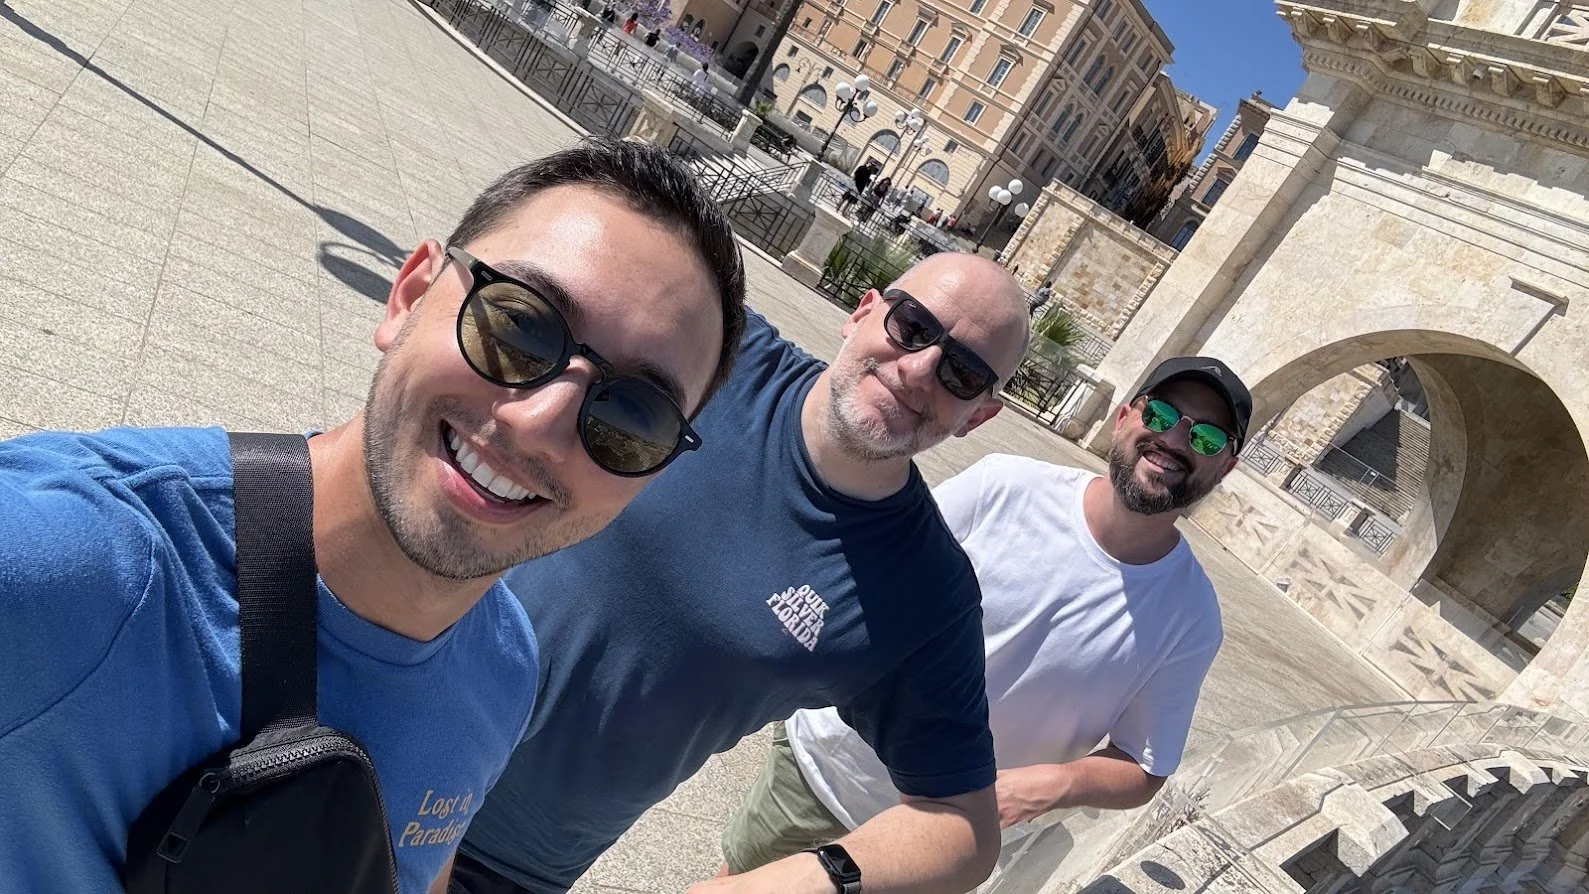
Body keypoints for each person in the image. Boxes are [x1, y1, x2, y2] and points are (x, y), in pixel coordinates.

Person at [0, 139, 747, 894]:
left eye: (632, 416)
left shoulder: (501, 670)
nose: (540, 422)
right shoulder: (77, 560)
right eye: (519, 325)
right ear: (410, 294)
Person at [449, 254, 1036, 894]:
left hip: (505, 869)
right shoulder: (715, 354)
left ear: (979, 414)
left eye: (963, 372)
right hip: (378, 709)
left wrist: (789, 883)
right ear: (864, 311)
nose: (920, 368)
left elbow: (966, 827)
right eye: (913, 325)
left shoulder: (925, 590)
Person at [733, 356, 1248, 869]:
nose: (1175, 441)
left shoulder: (1193, 617)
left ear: (1224, 468)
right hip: (831, 771)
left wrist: (1052, 784)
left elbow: (1144, 763)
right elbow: (876, 571)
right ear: (1124, 417)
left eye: (1205, 439)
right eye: (1160, 415)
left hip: (941, 841)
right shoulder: (1006, 485)